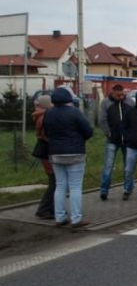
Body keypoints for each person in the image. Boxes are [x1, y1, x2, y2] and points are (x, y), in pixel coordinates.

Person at [43, 87, 94, 228]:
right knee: (75, 187)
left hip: (55, 153)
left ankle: (59, 217)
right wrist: (81, 139)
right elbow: (88, 130)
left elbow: (46, 132)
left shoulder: (49, 113)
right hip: (75, 152)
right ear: (69, 99)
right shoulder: (75, 112)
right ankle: (76, 218)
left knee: (60, 186)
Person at [98, 84, 132, 200]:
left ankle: (128, 189)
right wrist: (109, 133)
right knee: (108, 165)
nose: (121, 97)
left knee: (128, 166)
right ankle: (104, 190)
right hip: (112, 140)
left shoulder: (129, 102)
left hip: (127, 140)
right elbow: (102, 119)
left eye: (123, 94)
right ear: (112, 93)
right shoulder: (106, 103)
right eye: (118, 95)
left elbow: (135, 117)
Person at [32, 95, 55, 219]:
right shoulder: (44, 116)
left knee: (55, 181)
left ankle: (51, 208)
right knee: (55, 181)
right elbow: (47, 135)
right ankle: (44, 209)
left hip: (43, 149)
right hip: (47, 150)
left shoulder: (39, 115)